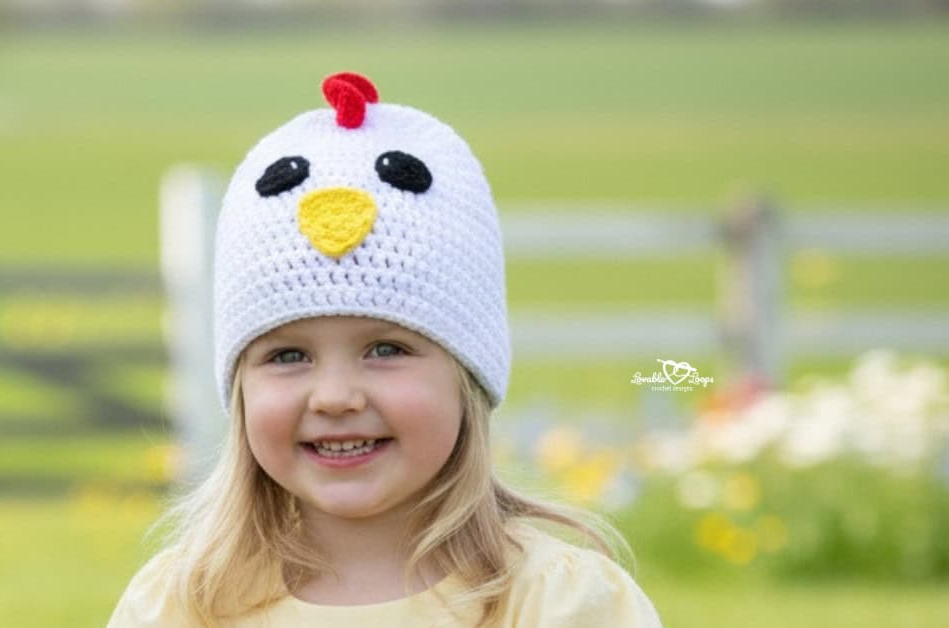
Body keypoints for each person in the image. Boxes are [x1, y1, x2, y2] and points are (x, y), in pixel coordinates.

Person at [107, 71, 661, 627]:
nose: (335, 397)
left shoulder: (558, 604)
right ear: (240, 387)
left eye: (386, 348)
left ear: (467, 374)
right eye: (288, 356)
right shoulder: (186, 606)